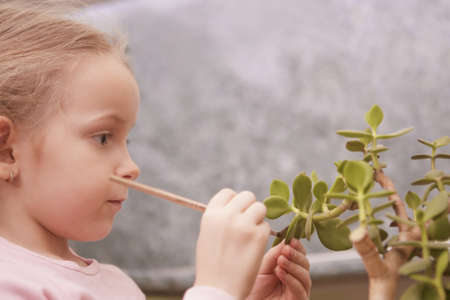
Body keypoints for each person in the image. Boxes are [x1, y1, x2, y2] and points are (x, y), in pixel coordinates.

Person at [0, 1, 311, 299]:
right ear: (6, 151)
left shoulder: (117, 285)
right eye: (103, 138)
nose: (131, 167)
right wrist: (217, 290)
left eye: (127, 141)